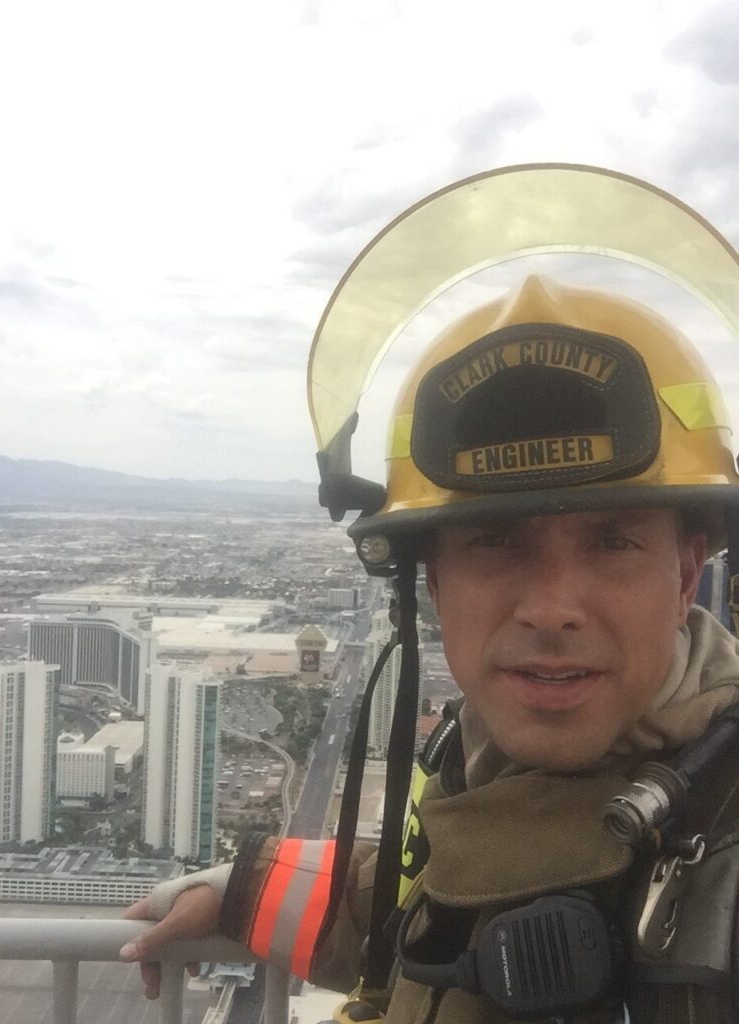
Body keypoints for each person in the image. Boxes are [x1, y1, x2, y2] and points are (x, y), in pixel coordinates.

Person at [121, 168, 739, 1023]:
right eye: (498, 543)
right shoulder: (475, 761)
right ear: (433, 583)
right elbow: (441, 905)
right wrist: (246, 892)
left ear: (684, 573)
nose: (553, 606)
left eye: (612, 541)